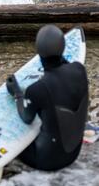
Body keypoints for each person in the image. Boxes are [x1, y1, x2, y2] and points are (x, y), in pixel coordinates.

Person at [6, 25, 89, 171]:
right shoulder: (79, 69)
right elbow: (62, 79)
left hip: (45, 162)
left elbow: (26, 117)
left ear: (38, 51)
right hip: (73, 155)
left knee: (9, 135)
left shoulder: (37, 89)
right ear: (63, 47)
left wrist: (17, 94)